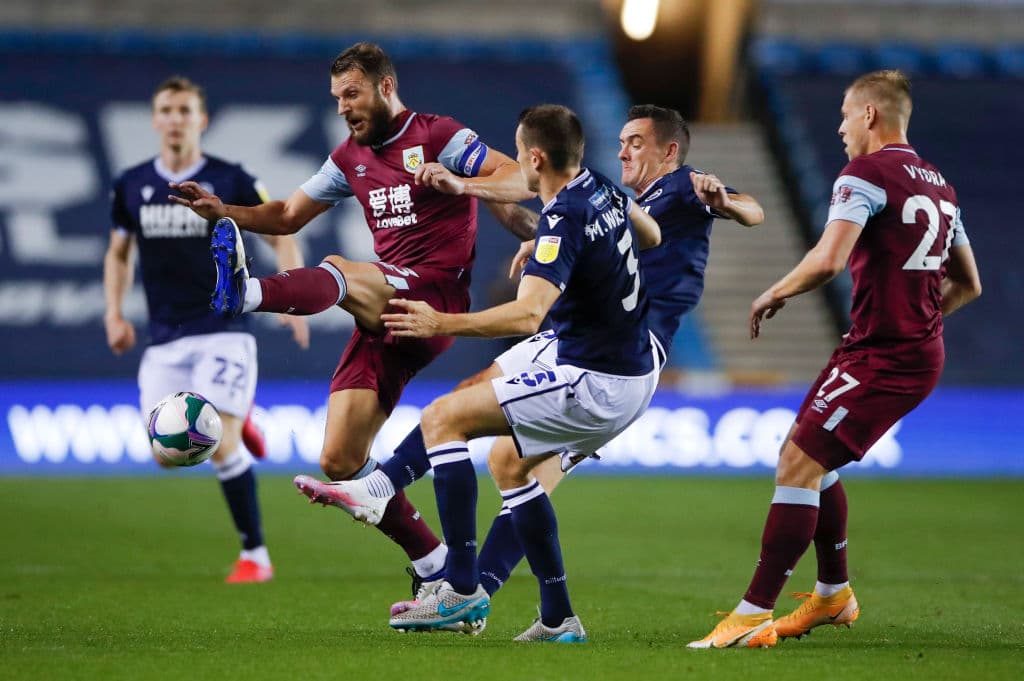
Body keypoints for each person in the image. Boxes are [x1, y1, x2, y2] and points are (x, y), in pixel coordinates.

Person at [169, 43, 534, 589]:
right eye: (337, 98)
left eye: (353, 94)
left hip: (435, 299)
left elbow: (517, 177)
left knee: (341, 268)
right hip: (383, 310)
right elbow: (288, 215)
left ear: (386, 87)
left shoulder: (438, 136)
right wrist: (225, 211)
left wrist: (463, 183)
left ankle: (244, 295)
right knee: (340, 460)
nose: (343, 107)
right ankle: (435, 567)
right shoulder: (348, 159)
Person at [298, 104, 662, 642]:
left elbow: (528, 314)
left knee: (443, 418)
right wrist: (562, 253)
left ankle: (461, 589)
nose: (514, 163)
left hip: (596, 378)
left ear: (536, 158)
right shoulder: (601, 187)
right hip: (626, 363)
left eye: (518, 154)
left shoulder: (563, 217)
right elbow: (649, 234)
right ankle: (559, 619)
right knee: (511, 469)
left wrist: (438, 320)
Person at [389, 104, 765, 612]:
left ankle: (430, 548)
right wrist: (534, 236)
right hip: (614, 352)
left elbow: (752, 210)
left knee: (453, 412)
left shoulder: (684, 185)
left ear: (669, 151)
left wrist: (726, 202)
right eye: (621, 140)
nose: (622, 149)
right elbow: (622, 233)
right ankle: (527, 607)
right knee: (509, 464)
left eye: (635, 141)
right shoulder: (617, 197)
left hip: (617, 350)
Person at [688, 70, 982, 649]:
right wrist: (918, 323)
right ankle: (832, 595)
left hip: (885, 354)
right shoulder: (941, 187)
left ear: (870, 115)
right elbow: (969, 283)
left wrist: (774, 291)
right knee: (811, 461)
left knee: (796, 464)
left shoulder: (865, 174)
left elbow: (828, 259)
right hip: (899, 348)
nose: (840, 127)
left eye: (846, 114)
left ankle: (752, 615)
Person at [104, 76, 308, 583]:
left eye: (185, 110)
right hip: (164, 337)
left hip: (222, 327)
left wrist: (289, 293)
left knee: (220, 444)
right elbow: (118, 252)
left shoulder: (231, 177)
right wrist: (113, 313)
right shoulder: (131, 183)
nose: (175, 118)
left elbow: (280, 229)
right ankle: (239, 416)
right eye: (167, 109)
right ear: (155, 120)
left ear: (202, 119)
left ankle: (255, 557)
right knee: (166, 453)